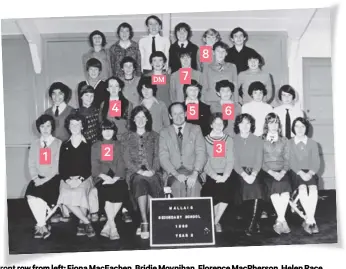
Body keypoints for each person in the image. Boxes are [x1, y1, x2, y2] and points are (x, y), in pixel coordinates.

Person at [122, 106, 164, 239]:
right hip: (135, 173)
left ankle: (150, 221)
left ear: (147, 119)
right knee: (140, 181)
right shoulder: (126, 136)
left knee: (152, 181)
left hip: (153, 172)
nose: (140, 120)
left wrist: (153, 170)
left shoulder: (155, 136)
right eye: (137, 117)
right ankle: (144, 221)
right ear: (133, 119)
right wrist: (139, 171)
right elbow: (126, 159)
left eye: (143, 117)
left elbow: (158, 156)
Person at [91, 120, 132, 240]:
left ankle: (108, 225)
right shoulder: (95, 145)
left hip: (117, 176)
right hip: (101, 176)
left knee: (121, 189)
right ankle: (113, 227)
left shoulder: (119, 145)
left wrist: (115, 178)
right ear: (100, 131)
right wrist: (104, 176)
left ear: (114, 131)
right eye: (104, 129)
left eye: (110, 129)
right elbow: (94, 164)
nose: (107, 132)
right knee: (107, 192)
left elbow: (121, 162)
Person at [57, 113, 96, 237]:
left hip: (84, 177)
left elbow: (91, 166)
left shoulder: (89, 144)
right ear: (68, 126)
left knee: (80, 193)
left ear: (82, 126)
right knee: (64, 194)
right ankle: (86, 222)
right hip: (67, 179)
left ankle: (80, 222)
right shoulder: (64, 145)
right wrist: (68, 180)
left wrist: (80, 179)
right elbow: (61, 167)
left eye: (78, 124)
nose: (75, 126)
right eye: (72, 124)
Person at [26, 114, 62, 239]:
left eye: (48, 126)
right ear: (39, 128)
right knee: (31, 197)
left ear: (52, 127)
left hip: (54, 179)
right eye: (42, 126)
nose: (45, 129)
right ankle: (42, 225)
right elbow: (31, 163)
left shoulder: (58, 143)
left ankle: (40, 226)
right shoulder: (35, 144)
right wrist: (36, 178)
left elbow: (58, 166)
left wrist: (45, 180)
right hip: (38, 178)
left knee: (41, 195)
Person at [159, 102, 207, 198]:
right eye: (175, 114)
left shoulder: (196, 129)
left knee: (194, 185)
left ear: (185, 113)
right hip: (173, 172)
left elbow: (201, 152)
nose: (178, 116)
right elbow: (163, 157)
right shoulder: (164, 132)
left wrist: (195, 173)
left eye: (181, 113)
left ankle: (193, 213)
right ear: (170, 116)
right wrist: (176, 174)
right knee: (177, 185)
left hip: (193, 170)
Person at [201, 113, 234, 233]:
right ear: (211, 124)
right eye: (216, 123)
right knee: (212, 191)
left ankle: (215, 221)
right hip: (211, 174)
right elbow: (205, 161)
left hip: (226, 174)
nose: (218, 126)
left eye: (221, 123)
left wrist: (225, 176)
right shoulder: (204, 140)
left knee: (226, 191)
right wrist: (215, 176)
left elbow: (230, 160)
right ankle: (213, 220)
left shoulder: (228, 139)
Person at [260, 113, 292, 235]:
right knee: (274, 188)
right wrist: (272, 173)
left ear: (279, 125)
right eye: (271, 122)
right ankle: (283, 220)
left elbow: (288, 159)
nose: (273, 125)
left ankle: (279, 220)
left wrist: (283, 171)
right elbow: (260, 161)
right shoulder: (260, 139)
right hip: (267, 172)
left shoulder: (284, 140)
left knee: (284, 191)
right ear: (266, 124)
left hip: (282, 171)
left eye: (276, 122)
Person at [233, 113, 264, 236]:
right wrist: (244, 175)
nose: (245, 126)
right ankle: (253, 221)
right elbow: (234, 161)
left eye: (248, 123)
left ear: (251, 125)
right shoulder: (232, 140)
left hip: (254, 171)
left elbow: (259, 160)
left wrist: (254, 174)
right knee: (245, 186)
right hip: (238, 171)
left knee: (256, 187)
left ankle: (252, 224)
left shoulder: (257, 140)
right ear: (237, 125)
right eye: (242, 123)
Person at [288, 117, 320, 234]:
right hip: (296, 172)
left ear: (306, 128)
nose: (300, 129)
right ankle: (312, 221)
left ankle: (310, 220)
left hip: (310, 171)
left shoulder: (312, 143)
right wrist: (301, 173)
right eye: (297, 126)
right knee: (302, 188)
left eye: (303, 126)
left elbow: (316, 162)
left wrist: (310, 173)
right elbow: (291, 161)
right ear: (293, 128)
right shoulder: (290, 143)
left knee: (313, 189)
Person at [202, 41, 238, 106]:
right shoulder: (207, 67)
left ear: (226, 53)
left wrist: (236, 102)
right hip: (211, 101)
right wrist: (203, 102)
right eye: (218, 51)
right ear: (213, 52)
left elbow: (235, 86)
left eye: (223, 51)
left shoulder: (232, 66)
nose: (220, 54)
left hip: (228, 101)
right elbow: (204, 86)